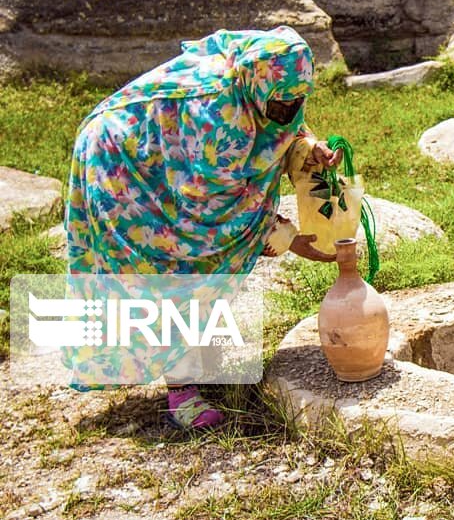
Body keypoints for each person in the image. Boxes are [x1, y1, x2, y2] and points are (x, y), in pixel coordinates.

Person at [62, 25, 339, 429]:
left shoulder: (265, 78)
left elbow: (284, 123)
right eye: (281, 105)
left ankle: (193, 353)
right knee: (175, 265)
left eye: (298, 101)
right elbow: (212, 215)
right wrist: (286, 237)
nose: (290, 110)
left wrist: (306, 145)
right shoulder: (219, 118)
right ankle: (182, 391)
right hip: (122, 160)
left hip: (163, 152)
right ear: (256, 86)